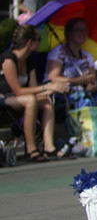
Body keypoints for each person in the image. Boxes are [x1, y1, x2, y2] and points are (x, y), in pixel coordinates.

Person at [1, 23, 69, 161]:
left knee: (47, 101)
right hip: (4, 98)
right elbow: (18, 91)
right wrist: (48, 87)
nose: (40, 42)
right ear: (30, 42)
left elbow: (33, 88)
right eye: (38, 39)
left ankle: (49, 146)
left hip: (18, 98)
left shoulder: (29, 61)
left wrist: (54, 89)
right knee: (30, 100)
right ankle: (31, 148)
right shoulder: (8, 59)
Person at [46, 17, 97, 133]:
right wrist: (79, 80)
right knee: (85, 101)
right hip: (64, 95)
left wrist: (91, 85)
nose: (83, 33)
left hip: (84, 92)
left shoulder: (87, 56)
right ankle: (89, 139)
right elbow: (52, 77)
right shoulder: (58, 53)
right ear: (69, 33)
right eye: (78, 30)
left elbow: (93, 82)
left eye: (85, 30)